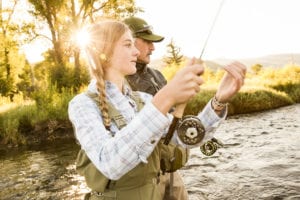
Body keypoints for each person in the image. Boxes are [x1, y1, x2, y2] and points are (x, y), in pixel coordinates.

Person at [68, 19, 246, 200]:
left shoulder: (144, 100)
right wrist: (165, 98)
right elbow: (109, 163)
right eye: (128, 44)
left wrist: (218, 102)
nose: (136, 52)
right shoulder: (82, 105)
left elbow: (184, 137)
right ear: (105, 53)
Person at [123, 16, 188, 200]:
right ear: (129, 41)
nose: (153, 48)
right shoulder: (117, 81)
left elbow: (172, 117)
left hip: (170, 169)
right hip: (144, 178)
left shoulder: (157, 75)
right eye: (147, 42)